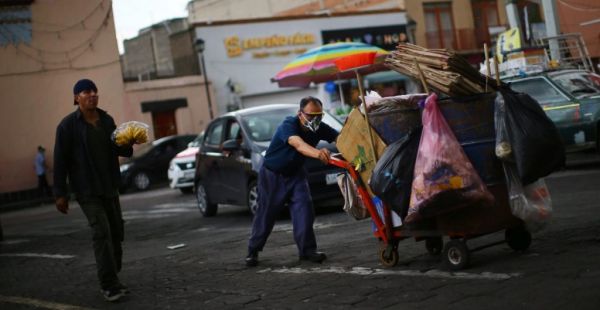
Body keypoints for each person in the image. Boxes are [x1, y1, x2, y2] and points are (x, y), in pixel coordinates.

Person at [53, 79, 134, 302]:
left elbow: (122, 149)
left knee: (116, 232)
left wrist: (129, 141)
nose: (92, 95)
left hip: (109, 186)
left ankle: (113, 278)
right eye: (86, 91)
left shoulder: (106, 120)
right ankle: (108, 285)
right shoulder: (67, 126)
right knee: (102, 233)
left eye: (95, 91)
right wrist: (60, 193)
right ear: (76, 97)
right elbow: (60, 161)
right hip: (87, 190)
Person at [245, 96, 339, 267]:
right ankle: (253, 250)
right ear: (300, 114)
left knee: (305, 210)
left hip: (296, 175)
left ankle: (307, 251)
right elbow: (298, 144)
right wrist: (318, 153)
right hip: (273, 175)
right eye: (311, 116)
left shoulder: (319, 128)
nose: (315, 120)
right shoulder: (288, 125)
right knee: (266, 214)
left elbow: (339, 138)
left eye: (319, 116)